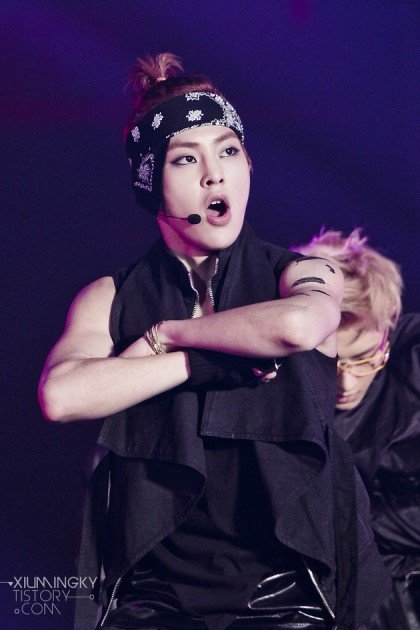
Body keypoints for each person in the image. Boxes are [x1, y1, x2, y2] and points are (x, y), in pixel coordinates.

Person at [39, 54, 390, 630]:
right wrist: (196, 364)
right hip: (151, 597)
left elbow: (298, 327)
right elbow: (61, 396)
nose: (214, 174)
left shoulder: (303, 273)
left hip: (286, 596)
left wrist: (168, 336)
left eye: (228, 151)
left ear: (248, 164)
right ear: (150, 185)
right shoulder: (110, 297)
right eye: (186, 158)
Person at [296, 229, 420, 629]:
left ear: (387, 329)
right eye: (331, 362)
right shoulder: (277, 380)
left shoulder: (414, 358)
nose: (346, 383)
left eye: (365, 358)